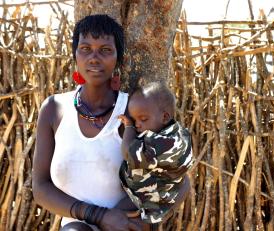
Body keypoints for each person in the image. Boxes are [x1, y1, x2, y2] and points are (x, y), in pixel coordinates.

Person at [32, 14, 190, 231]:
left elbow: (178, 177)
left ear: (118, 58)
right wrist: (98, 216)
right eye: (85, 48)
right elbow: (40, 188)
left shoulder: (133, 113)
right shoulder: (54, 109)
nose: (94, 58)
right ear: (75, 55)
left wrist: (145, 221)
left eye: (105, 50)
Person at [117, 82, 194, 225]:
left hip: (149, 203)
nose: (137, 125)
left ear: (165, 117)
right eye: (134, 120)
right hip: (163, 199)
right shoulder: (179, 134)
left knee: (113, 215)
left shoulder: (160, 145)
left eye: (143, 119)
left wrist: (128, 126)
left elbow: (127, 153)